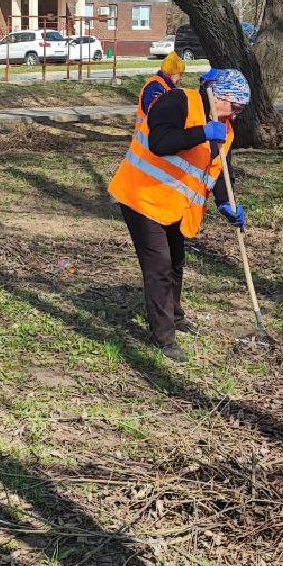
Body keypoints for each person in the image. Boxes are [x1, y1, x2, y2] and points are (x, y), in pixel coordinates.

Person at [108, 66, 252, 363]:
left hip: (174, 204)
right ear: (219, 96)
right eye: (235, 107)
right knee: (159, 265)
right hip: (142, 196)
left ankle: (175, 316)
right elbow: (160, 142)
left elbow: (221, 170)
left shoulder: (225, 127)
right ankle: (164, 337)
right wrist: (201, 133)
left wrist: (227, 203)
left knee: (175, 261)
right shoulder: (178, 101)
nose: (236, 115)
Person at [136, 50, 187, 124]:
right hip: (150, 130)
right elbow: (156, 113)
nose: (181, 78)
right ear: (172, 73)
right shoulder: (155, 86)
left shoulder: (166, 86)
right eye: (180, 74)